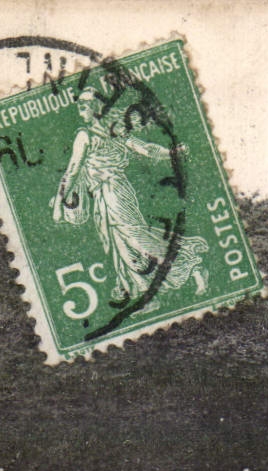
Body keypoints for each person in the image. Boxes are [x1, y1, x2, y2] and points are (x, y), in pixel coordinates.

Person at [50, 86, 209, 309]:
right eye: (80, 103)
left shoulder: (101, 134)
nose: (81, 107)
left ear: (98, 107)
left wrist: (172, 153)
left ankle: (191, 265)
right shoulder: (92, 135)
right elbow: (72, 170)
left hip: (115, 193)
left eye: (86, 102)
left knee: (135, 239)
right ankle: (147, 296)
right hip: (103, 197)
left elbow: (145, 150)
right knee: (119, 245)